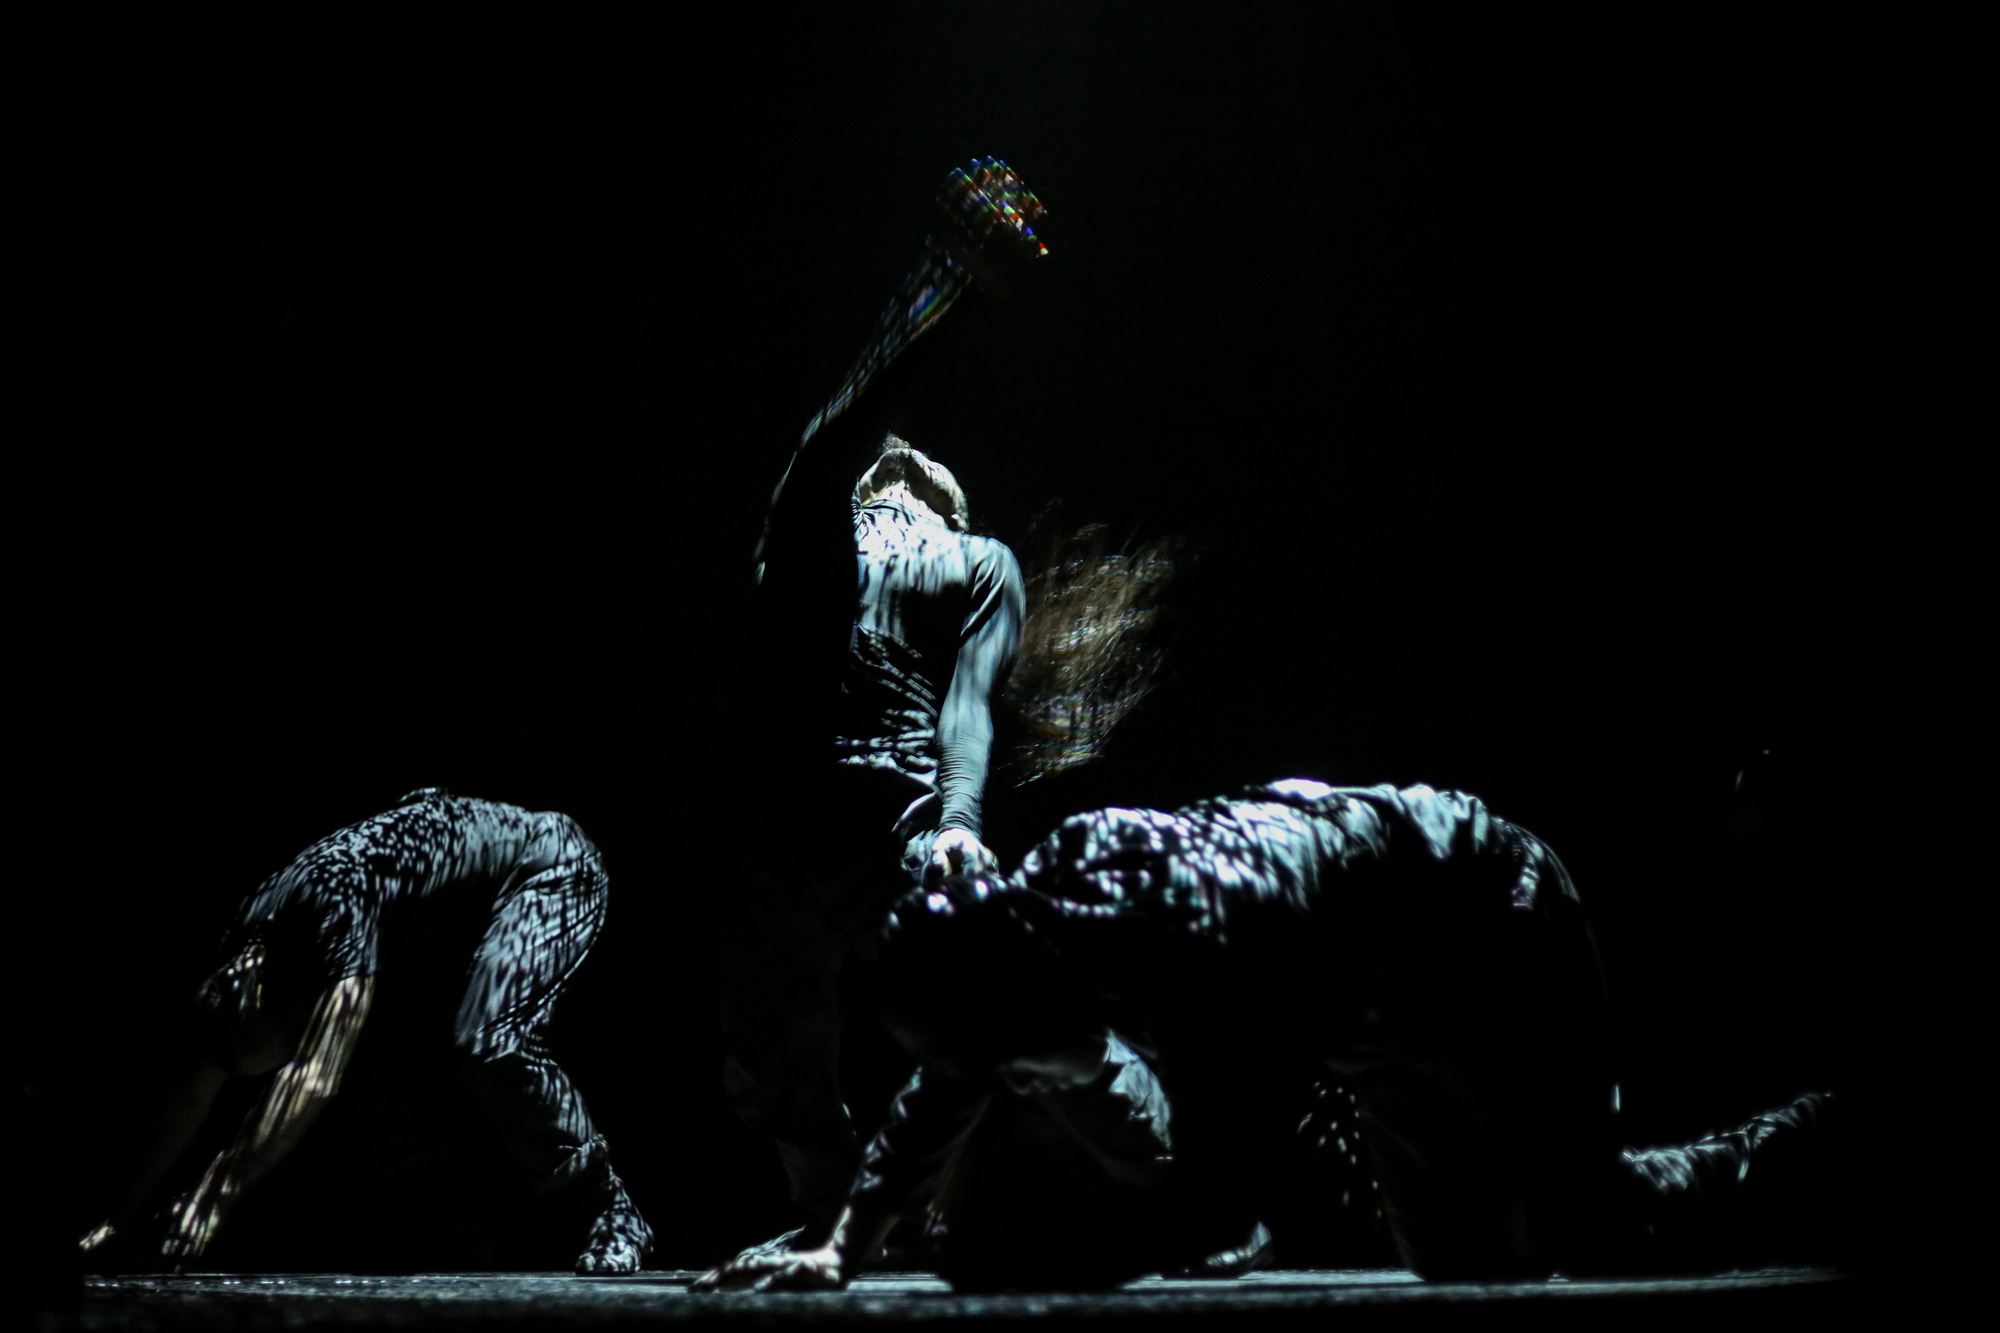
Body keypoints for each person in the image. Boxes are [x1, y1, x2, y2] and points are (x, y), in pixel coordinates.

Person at [701, 780, 1839, 1291]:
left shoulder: (1201, 942)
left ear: (1034, 1004)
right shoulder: (1029, 929)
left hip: (1493, 923)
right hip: (1368, 1005)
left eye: (1008, 1063)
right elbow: (951, 1076)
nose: (1013, 1086)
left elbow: (1216, 1202)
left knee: (1591, 1224)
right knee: (1472, 1268)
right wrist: (844, 1245)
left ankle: (1815, 1138)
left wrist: (1022, 1268)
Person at [78, 789, 651, 1275]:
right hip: (452, 923)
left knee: (488, 1041)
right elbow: (192, 1090)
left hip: (551, 865)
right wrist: (115, 1221)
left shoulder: (331, 910)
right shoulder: (248, 947)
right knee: (373, 1064)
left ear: (277, 1008)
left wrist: (213, 1198)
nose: (235, 1065)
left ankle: (613, 1213)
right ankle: (451, 1237)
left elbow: (314, 1076)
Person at [720, 437, 1026, 1247]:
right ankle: (839, 1212)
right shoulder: (814, 543)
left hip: (892, 816)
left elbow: (968, 705)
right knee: (768, 1058)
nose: (903, 457)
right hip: (787, 827)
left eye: (919, 464)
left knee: (1002, 1007)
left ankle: (1166, 1184)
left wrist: (956, 822)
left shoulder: (975, 558)